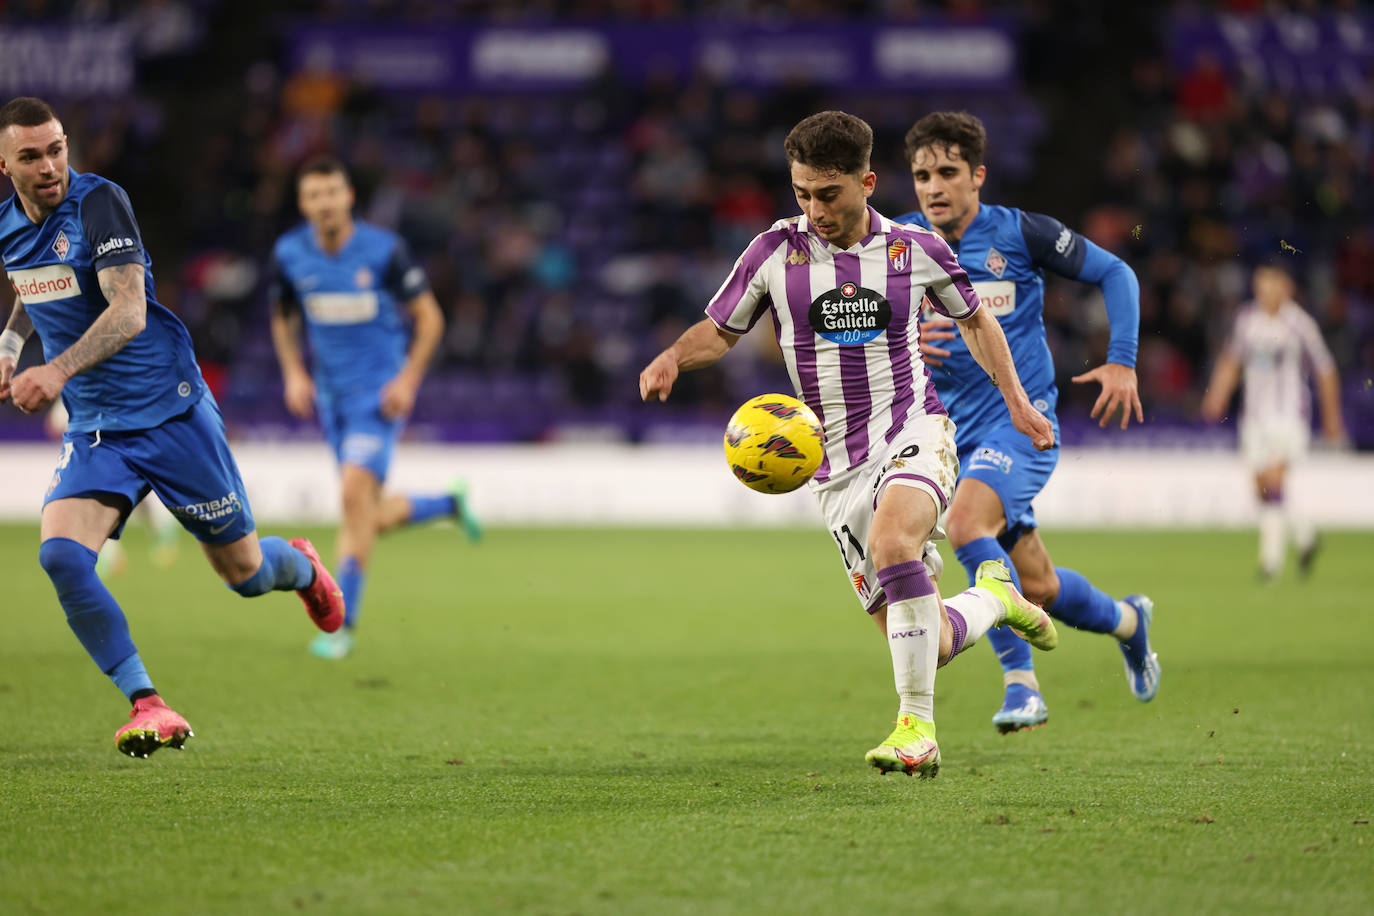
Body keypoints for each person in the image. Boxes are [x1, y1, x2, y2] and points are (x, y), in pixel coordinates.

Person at [639, 110, 1059, 777]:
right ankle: (997, 598)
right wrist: (670, 358)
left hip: (912, 432)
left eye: (828, 194)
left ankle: (916, 730)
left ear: (866, 182)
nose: (814, 208)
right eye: (802, 192)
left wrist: (1017, 402)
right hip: (832, 470)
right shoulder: (774, 252)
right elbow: (720, 330)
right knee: (931, 638)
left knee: (896, 544)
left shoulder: (913, 252)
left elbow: (978, 322)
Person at [0, 97, 345, 758]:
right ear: (5, 165)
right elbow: (31, 283)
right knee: (60, 555)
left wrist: (57, 371)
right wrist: (11, 347)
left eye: (57, 148)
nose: (50, 166)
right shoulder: (10, 227)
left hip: (170, 410)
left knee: (244, 574)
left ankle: (299, 566)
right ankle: (148, 703)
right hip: (100, 429)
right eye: (32, 156)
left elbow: (129, 311)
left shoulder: (101, 204)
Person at [894, 111, 1160, 733]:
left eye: (948, 173)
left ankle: (1022, 685)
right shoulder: (899, 241)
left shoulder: (1019, 234)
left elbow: (1115, 272)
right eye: (922, 175)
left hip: (1022, 425)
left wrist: (1121, 361)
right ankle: (1129, 621)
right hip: (950, 438)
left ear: (978, 176)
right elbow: (864, 315)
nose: (933, 187)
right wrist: (902, 329)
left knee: (963, 523)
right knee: (1035, 585)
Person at [269, 155, 481, 661]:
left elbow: (430, 319)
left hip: (379, 396)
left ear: (349, 198)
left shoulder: (384, 251)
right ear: (303, 203)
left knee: (350, 497)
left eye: (332, 192)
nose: (324, 203)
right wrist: (294, 372)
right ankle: (447, 504)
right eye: (314, 195)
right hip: (330, 398)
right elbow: (282, 316)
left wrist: (408, 380)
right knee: (366, 513)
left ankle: (341, 622)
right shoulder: (290, 253)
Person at [1201, 263, 1345, 580]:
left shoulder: (1300, 324)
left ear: (1286, 286)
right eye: (1261, 284)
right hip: (1254, 417)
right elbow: (1231, 359)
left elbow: (1325, 369)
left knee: (1275, 481)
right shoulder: (1247, 320)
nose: (1265, 290)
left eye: (1271, 283)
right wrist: (1217, 395)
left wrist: (1333, 418)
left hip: (1289, 415)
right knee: (1261, 488)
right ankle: (1306, 535)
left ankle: (1270, 563)